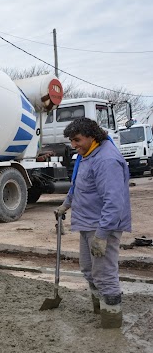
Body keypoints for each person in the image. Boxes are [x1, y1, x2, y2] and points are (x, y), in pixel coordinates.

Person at [54, 117, 131, 329]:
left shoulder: (106, 160)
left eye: (77, 140)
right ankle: (100, 309)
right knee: (88, 269)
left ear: (91, 136)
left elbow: (114, 202)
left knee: (105, 274)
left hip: (103, 227)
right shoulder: (87, 155)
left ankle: (111, 322)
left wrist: (102, 234)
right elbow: (79, 184)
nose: (73, 146)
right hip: (87, 224)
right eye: (71, 140)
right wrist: (65, 205)